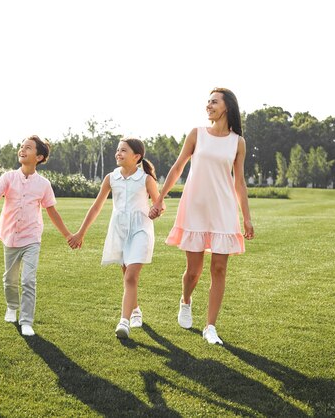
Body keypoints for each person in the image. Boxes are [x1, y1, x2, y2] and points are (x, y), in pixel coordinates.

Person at [149, 87, 254, 345]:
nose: (208, 106)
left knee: (219, 268)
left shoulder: (237, 142)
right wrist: (160, 198)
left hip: (223, 209)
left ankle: (210, 326)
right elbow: (177, 167)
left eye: (214, 102)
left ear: (227, 106)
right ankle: (186, 300)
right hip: (195, 207)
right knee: (193, 272)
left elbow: (239, 182)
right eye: (207, 102)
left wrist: (247, 218)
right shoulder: (197, 134)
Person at [0, 135, 73, 337]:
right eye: (21, 147)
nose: (22, 150)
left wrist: (67, 235)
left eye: (28, 148)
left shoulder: (44, 184)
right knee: (10, 279)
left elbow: (52, 211)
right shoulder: (8, 177)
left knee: (28, 280)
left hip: (32, 237)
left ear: (39, 157)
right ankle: (12, 306)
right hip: (11, 236)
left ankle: (27, 320)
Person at [69, 138, 161, 339]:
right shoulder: (111, 178)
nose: (118, 153)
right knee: (127, 275)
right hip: (118, 230)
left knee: (130, 276)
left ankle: (124, 322)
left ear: (137, 157)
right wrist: (80, 233)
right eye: (117, 150)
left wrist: (156, 211)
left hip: (140, 230)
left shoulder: (146, 179)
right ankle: (135, 310)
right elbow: (96, 207)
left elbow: (158, 203)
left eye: (123, 151)